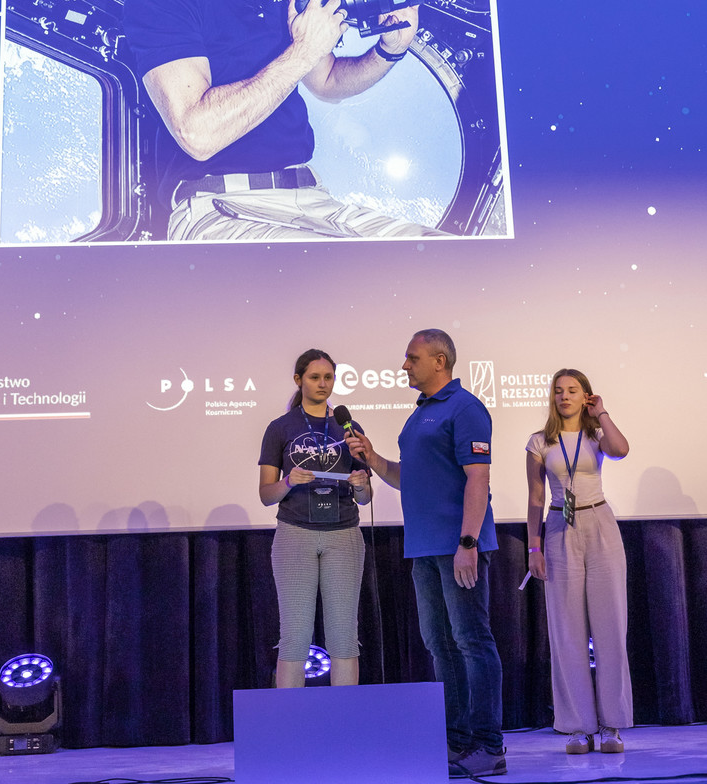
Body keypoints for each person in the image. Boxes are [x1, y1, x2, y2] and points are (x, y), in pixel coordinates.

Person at [123, 0, 445, 241]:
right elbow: (197, 133)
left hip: (313, 200)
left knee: (454, 259)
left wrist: (388, 51)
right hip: (219, 208)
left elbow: (326, 81)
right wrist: (303, 51)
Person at [345, 329, 505, 779]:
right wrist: (373, 458)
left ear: (440, 361)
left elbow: (478, 478)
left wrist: (468, 544)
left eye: (412, 358)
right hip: (424, 549)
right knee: (440, 644)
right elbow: (407, 477)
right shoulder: (419, 414)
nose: (404, 365)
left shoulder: (465, 407)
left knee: (471, 641)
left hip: (457, 546)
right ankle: (456, 742)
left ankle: (489, 746)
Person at [526, 369, 632, 755]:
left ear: (585, 395)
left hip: (599, 521)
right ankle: (577, 727)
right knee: (567, 633)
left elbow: (621, 449)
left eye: (573, 390)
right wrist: (533, 548)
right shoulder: (540, 441)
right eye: (558, 391)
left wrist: (601, 412)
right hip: (559, 526)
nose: (564, 396)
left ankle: (611, 725)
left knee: (610, 627)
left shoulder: (596, 434)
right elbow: (536, 498)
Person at [258, 348, 371, 688]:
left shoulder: (349, 426)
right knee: (294, 635)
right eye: (315, 377)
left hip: (344, 534)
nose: (323, 384)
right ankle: (290, 717)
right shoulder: (280, 428)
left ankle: (345, 716)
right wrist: (289, 481)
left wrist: (361, 484)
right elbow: (266, 494)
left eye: (328, 377)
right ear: (299, 380)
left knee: (344, 636)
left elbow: (365, 498)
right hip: (295, 533)